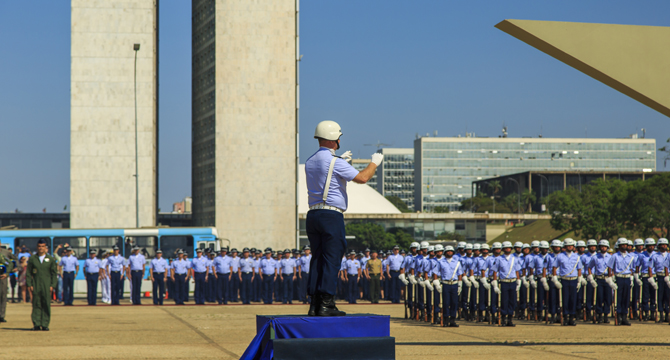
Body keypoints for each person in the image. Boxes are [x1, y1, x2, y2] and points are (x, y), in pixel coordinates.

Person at [305, 120, 382, 316]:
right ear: (334, 139)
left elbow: (326, 177)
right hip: (331, 214)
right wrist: (374, 162)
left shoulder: (310, 160)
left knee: (317, 258)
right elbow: (362, 178)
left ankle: (314, 303)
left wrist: (340, 162)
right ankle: (327, 304)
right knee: (332, 259)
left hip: (313, 213)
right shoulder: (335, 162)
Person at [26, 239, 57, 331]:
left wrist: (52, 285)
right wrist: (29, 284)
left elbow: (54, 274)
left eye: (43, 246)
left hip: (46, 285)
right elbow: (28, 273)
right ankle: (36, 323)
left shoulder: (50, 259)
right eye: (39, 246)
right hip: (36, 284)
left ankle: (45, 324)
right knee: (36, 304)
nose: (41, 248)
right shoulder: (32, 259)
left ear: (45, 248)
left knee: (46, 304)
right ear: (37, 247)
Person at [552, 238, 583, 326]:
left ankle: (572, 318)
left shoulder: (577, 257)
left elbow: (579, 269)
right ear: (565, 247)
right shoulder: (560, 256)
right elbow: (554, 267)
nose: (570, 247)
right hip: (564, 280)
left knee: (573, 300)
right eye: (568, 246)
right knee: (565, 299)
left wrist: (579, 280)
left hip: (573, 280)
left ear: (573, 247)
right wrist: (555, 279)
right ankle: (565, 317)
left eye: (571, 245)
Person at [490, 241, 521, 327]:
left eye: (509, 248)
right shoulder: (499, 259)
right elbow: (495, 271)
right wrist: (495, 284)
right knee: (504, 301)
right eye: (506, 248)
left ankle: (510, 319)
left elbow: (517, 271)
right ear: (503, 249)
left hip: (513, 281)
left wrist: (518, 281)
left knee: (512, 301)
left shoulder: (515, 258)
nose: (508, 249)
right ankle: (503, 318)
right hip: (504, 282)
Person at [607, 238, 635, 325]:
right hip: (618, 278)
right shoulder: (614, 256)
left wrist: (632, 278)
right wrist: (611, 279)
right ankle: (618, 316)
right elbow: (610, 268)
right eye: (622, 245)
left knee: (626, 298)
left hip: (627, 278)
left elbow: (632, 269)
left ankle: (624, 317)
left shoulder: (630, 257)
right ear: (619, 246)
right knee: (618, 298)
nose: (624, 246)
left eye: (625, 244)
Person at [435, 245, 462, 327]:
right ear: (445, 252)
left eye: (451, 251)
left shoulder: (457, 262)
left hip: (454, 284)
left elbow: (460, 274)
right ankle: (446, 320)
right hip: (445, 284)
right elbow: (435, 273)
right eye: (448, 251)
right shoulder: (440, 262)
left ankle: (453, 320)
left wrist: (460, 284)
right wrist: (436, 283)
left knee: (454, 303)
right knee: (446, 303)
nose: (449, 252)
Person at [587, 239, 612, 323]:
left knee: (608, 298)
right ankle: (599, 315)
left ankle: (606, 315)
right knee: (599, 297)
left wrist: (611, 277)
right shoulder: (595, 257)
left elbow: (612, 268)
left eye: (605, 247)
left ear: (607, 247)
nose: (603, 248)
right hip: (599, 279)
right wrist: (591, 277)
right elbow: (589, 267)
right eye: (602, 246)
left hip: (607, 279)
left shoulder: (611, 257)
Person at [649, 238, 668, 323]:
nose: (664, 246)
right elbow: (650, 267)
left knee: (667, 296)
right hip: (659, 276)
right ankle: (660, 314)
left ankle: (667, 314)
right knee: (659, 297)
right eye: (663, 244)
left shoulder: (669, 255)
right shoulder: (655, 256)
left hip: (668, 278)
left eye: (665, 244)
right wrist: (651, 279)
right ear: (659, 246)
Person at [637, 238, 656, 321]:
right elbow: (637, 266)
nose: (651, 247)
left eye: (652, 246)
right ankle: (646, 313)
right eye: (649, 246)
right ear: (646, 246)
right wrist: (637, 277)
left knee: (653, 295)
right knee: (645, 296)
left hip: (654, 276)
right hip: (645, 276)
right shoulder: (642, 255)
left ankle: (652, 312)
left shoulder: (656, 254)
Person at [0, 245, 15, 323]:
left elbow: (10, 263)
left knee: (2, 296)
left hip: (2, 278)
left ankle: (1, 316)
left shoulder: (3, 255)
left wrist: (7, 273)